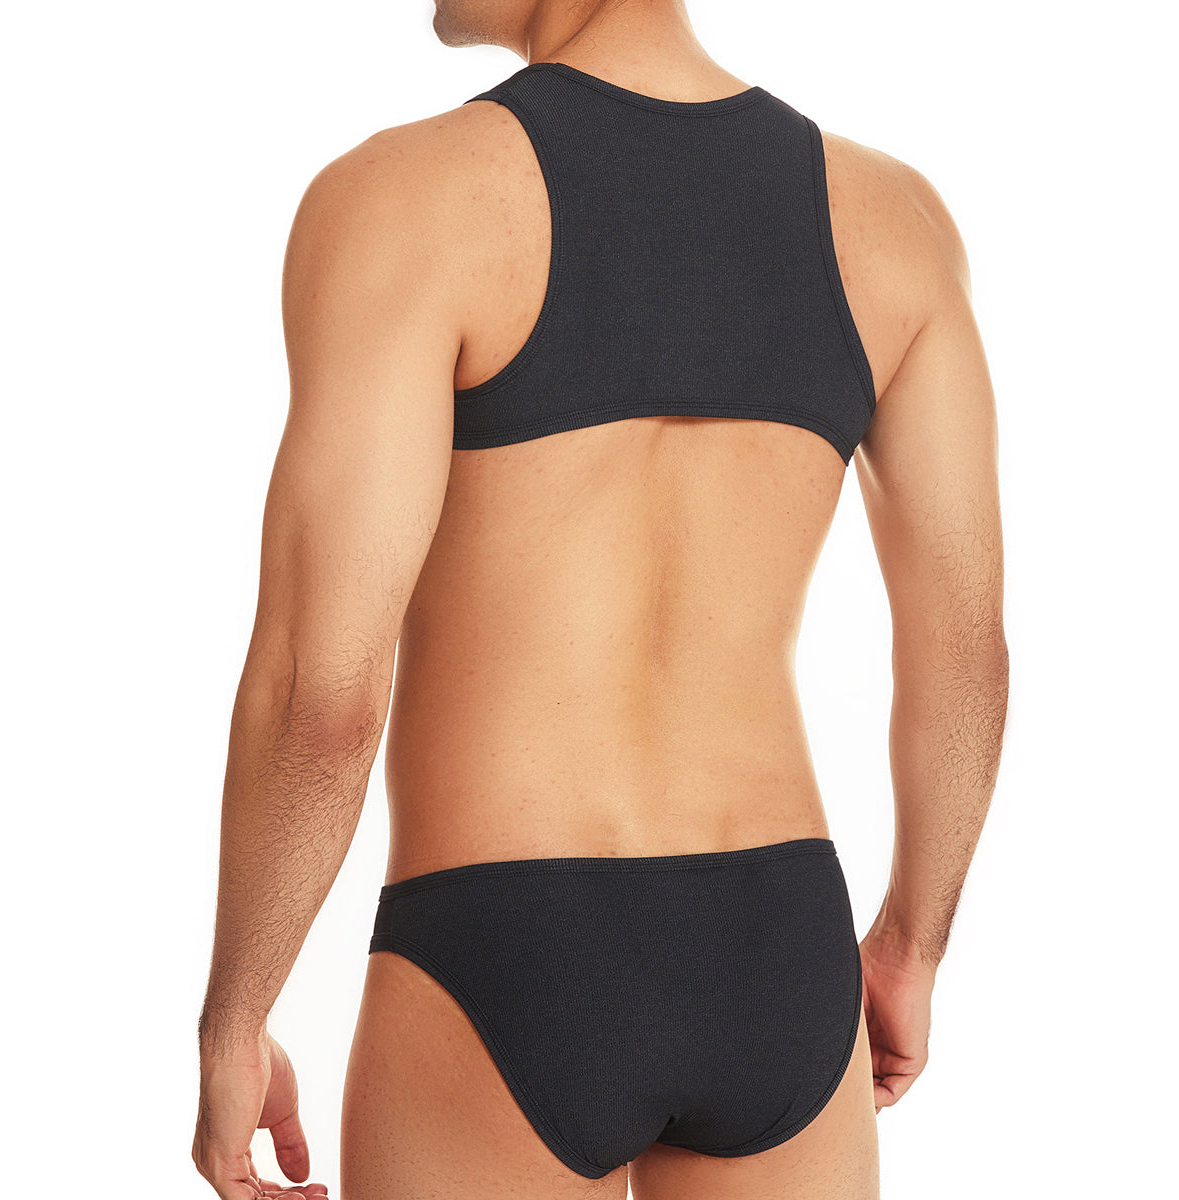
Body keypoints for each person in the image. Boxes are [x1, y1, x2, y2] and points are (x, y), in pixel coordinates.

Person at [191, 0, 1009, 1196]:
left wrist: (236, 1017)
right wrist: (911, 945)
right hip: (777, 942)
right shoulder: (896, 224)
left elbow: (324, 698)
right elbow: (966, 648)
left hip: (506, 944)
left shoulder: (406, 202)